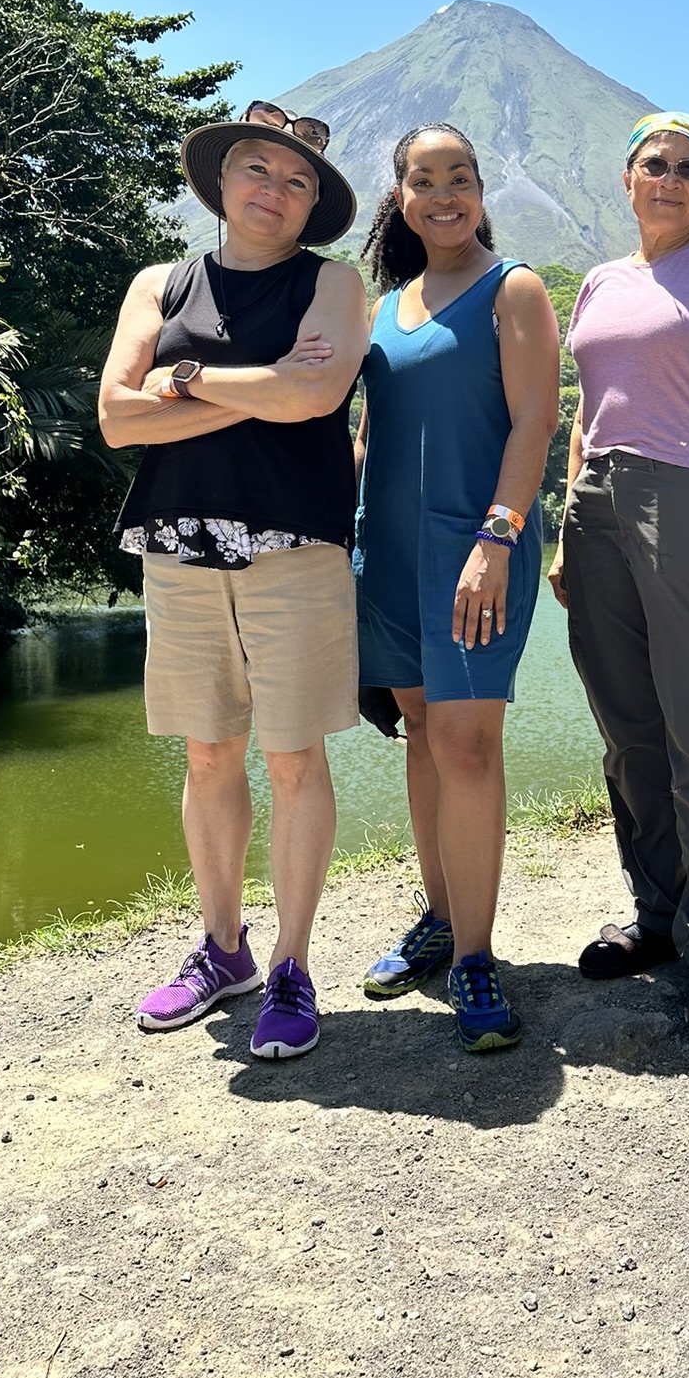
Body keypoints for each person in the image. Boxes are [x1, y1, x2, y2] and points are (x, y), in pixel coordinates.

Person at [100, 102, 369, 1061]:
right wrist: (248, 384)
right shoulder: (161, 282)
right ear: (221, 181)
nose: (274, 189)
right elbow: (115, 421)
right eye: (258, 169)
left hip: (295, 549)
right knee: (209, 755)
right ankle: (224, 950)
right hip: (176, 547)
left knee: (293, 758)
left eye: (297, 181)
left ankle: (292, 965)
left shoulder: (335, 284)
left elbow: (313, 395)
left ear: (313, 206)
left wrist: (180, 382)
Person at [547, 113, 689, 1048]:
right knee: (628, 733)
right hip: (596, 510)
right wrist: (567, 523)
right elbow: (587, 416)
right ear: (628, 178)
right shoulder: (600, 281)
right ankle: (655, 915)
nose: (670, 180)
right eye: (655, 165)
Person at [354, 124, 560, 1053]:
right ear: (400, 194)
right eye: (424, 179)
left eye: (460, 178)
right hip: (388, 555)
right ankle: (438, 917)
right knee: (424, 739)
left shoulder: (511, 288)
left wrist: (499, 536)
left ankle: (477, 955)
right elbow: (372, 432)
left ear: (482, 190)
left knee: (470, 744)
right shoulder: (385, 305)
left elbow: (536, 422)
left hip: (479, 547)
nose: (444, 195)